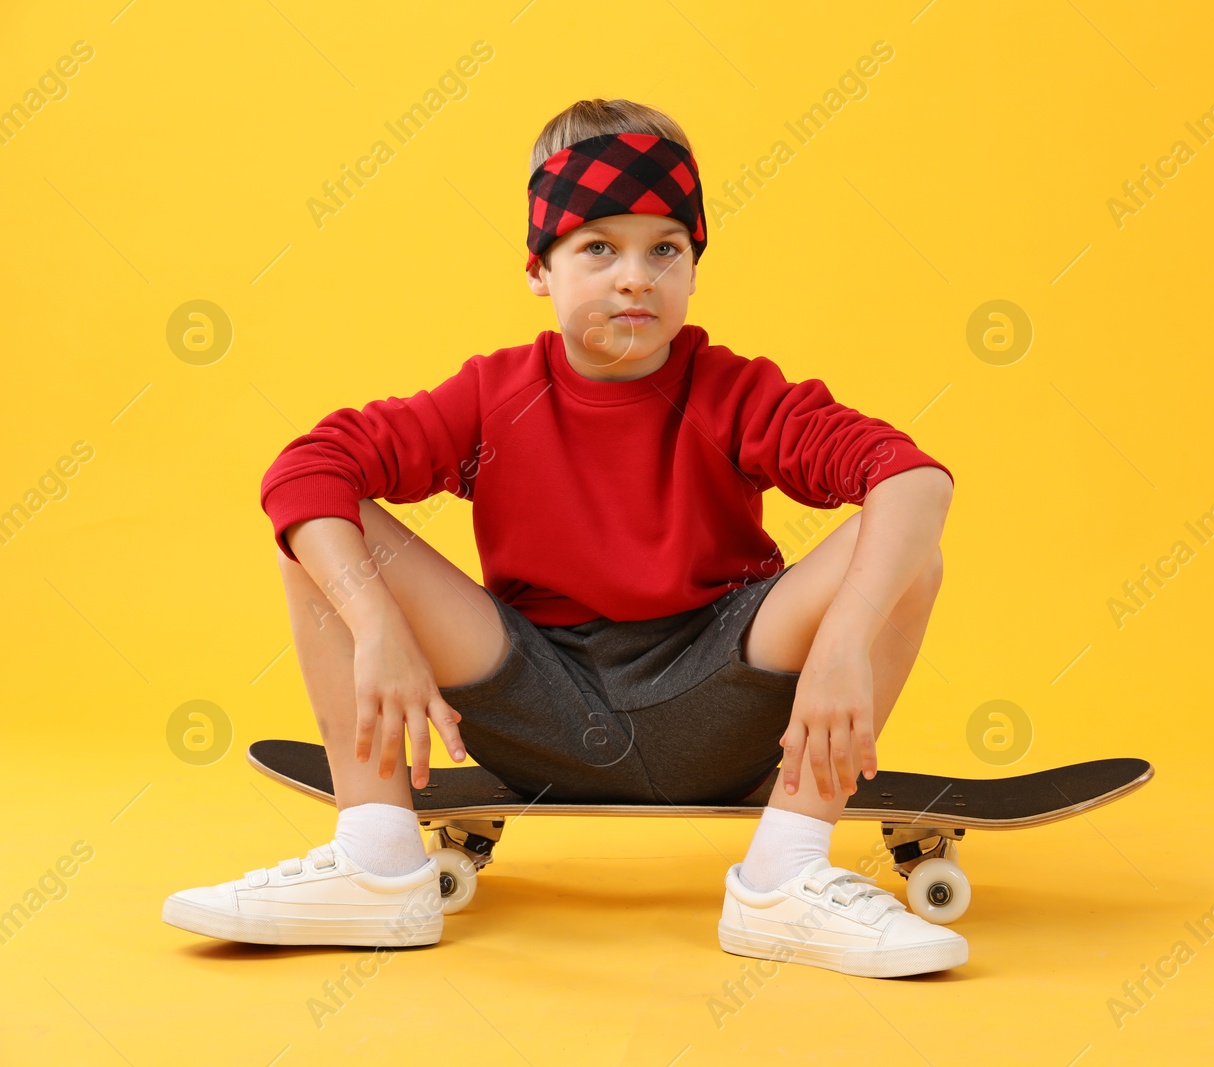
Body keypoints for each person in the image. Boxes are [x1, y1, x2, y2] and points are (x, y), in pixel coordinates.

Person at [162, 98, 964, 978]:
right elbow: (306, 469)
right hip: (534, 709)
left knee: (904, 544)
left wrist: (846, 639)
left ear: (695, 266)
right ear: (540, 269)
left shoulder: (736, 391)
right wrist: (379, 629)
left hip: (726, 709)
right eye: (599, 248)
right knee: (318, 530)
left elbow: (913, 475)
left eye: (666, 248)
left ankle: (785, 878)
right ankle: (378, 863)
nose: (636, 278)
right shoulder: (492, 395)